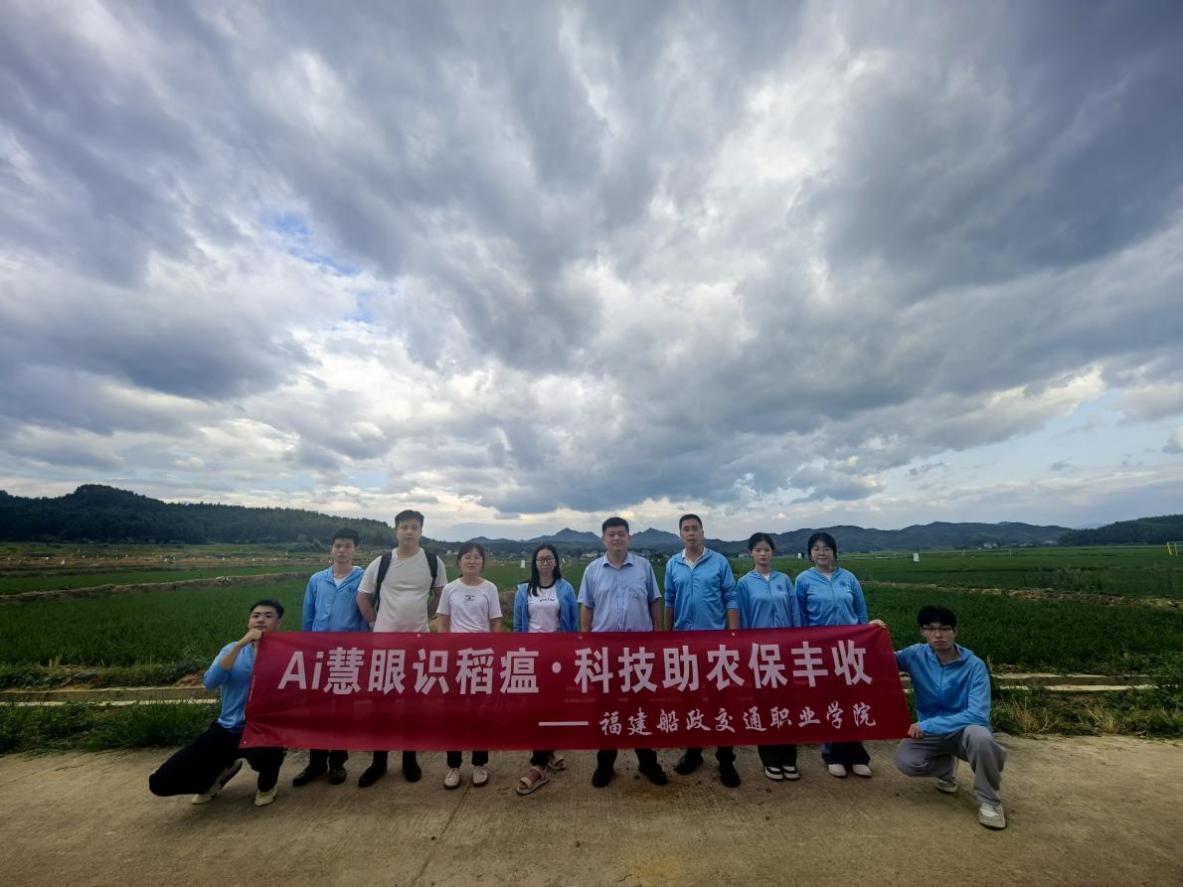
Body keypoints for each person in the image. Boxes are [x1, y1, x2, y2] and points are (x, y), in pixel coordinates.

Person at [148, 599, 287, 807]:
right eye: (256, 615)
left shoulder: (287, 653)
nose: (260, 620)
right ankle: (222, 771)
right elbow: (211, 682)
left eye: (268, 616)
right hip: (228, 727)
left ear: (278, 623)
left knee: (267, 756)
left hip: (263, 729)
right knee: (162, 781)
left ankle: (267, 786)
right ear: (249, 621)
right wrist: (240, 645)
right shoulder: (232, 649)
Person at [894, 605, 1008, 830]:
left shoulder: (974, 666)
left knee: (982, 739)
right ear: (922, 632)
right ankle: (946, 768)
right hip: (932, 732)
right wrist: (872, 631)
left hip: (964, 730)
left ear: (955, 631)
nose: (938, 635)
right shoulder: (915, 655)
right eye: (930, 628)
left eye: (945, 628)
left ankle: (990, 801)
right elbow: (879, 659)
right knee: (906, 761)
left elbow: (977, 714)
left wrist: (927, 724)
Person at [355, 509, 446, 788]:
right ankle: (378, 761)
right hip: (384, 646)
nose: (409, 531)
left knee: (413, 704)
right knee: (381, 705)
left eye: (414, 527)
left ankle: (409, 758)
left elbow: (441, 594)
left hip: (418, 645)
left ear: (421, 531)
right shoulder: (381, 562)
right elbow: (363, 597)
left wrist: (426, 617)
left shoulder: (432, 561)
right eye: (404, 527)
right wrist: (375, 623)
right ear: (396, 531)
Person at [578, 516, 669, 788]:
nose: (616, 538)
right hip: (605, 653)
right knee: (607, 706)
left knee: (641, 706)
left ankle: (648, 761)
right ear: (604, 539)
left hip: (639, 651)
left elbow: (655, 601)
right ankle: (605, 763)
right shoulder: (593, 570)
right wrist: (586, 642)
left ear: (629, 538)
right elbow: (587, 607)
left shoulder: (643, 567)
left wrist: (657, 635)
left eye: (621, 534)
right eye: (611, 534)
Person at [664, 513, 742, 787]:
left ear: (702, 532)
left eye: (695, 528)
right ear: (680, 535)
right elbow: (670, 601)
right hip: (685, 644)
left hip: (715, 644)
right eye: (686, 529)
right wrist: (668, 637)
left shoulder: (719, 562)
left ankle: (726, 760)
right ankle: (693, 752)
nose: (691, 533)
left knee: (721, 701)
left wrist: (733, 635)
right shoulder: (673, 564)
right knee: (690, 701)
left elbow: (730, 597)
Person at [795, 531, 874, 778]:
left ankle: (857, 755)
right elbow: (800, 618)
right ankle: (832, 754)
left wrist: (865, 638)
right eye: (816, 548)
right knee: (829, 700)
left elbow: (861, 613)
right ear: (810, 554)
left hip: (850, 649)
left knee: (853, 699)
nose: (822, 553)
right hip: (821, 650)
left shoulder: (848, 578)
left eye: (826, 548)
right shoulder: (803, 580)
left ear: (834, 552)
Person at [291, 528, 367, 788]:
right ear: (331, 549)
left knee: (343, 709)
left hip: (347, 655)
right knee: (317, 710)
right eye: (338, 545)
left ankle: (337, 762)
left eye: (347, 545)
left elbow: (366, 615)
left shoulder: (363, 578)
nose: (342, 550)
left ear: (355, 549)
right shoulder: (317, 580)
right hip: (318, 653)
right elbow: (308, 616)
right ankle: (315, 763)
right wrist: (306, 647)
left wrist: (363, 648)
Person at [734, 532, 802, 782]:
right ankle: (770, 759)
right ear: (751, 553)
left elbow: (795, 613)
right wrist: (744, 650)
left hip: (785, 652)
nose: (763, 554)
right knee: (764, 704)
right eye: (758, 550)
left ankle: (789, 758)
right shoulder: (744, 584)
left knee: (787, 704)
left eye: (767, 549)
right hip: (759, 654)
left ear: (772, 552)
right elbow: (742, 619)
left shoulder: (784, 580)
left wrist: (797, 643)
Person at [512, 543, 578, 795]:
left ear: (556, 562)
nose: (545, 563)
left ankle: (548, 751)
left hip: (557, 657)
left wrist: (571, 653)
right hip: (532, 657)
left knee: (554, 706)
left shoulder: (566, 589)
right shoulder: (524, 590)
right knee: (535, 708)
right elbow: (518, 626)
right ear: (535, 563)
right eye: (541, 559)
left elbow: (572, 625)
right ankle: (538, 764)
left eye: (549, 558)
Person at [436, 542, 502, 789]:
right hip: (456, 658)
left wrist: (493, 651)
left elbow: (495, 622)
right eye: (467, 557)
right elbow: (443, 622)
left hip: (481, 658)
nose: (472, 561)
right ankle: (453, 766)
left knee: (479, 712)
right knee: (453, 713)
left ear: (482, 561)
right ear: (459, 561)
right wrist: (444, 651)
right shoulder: (450, 589)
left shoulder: (490, 588)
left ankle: (479, 763)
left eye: (476, 557)